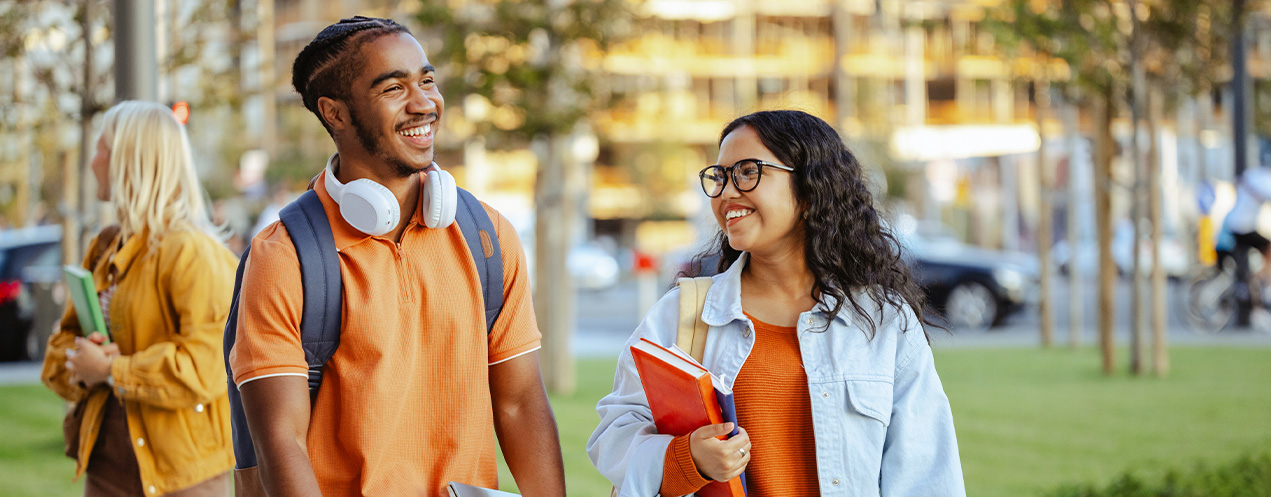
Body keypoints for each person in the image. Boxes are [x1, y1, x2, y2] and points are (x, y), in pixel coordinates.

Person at [228, 16, 565, 496]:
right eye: (393, 88)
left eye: (426, 80)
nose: (424, 102)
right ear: (335, 114)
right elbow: (281, 442)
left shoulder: (488, 234)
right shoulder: (284, 256)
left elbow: (520, 403)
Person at [588, 110, 965, 496]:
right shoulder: (681, 314)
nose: (727, 193)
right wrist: (686, 458)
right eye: (719, 177)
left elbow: (928, 475)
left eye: (748, 172)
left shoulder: (883, 321)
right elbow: (614, 434)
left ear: (810, 186)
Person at [41, 101, 238, 496]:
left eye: (101, 149)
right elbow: (59, 350)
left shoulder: (192, 253)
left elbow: (206, 367)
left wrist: (112, 370)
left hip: (182, 478)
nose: (93, 161)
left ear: (129, 160)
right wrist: (82, 361)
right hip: (107, 467)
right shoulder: (106, 246)